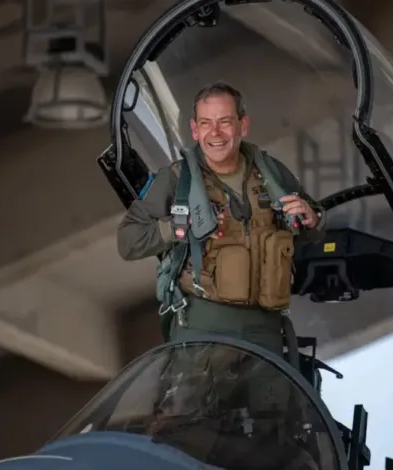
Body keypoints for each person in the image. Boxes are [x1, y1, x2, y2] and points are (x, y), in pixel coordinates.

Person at [117, 81, 326, 357]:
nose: (215, 133)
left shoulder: (272, 174)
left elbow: (310, 229)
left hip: (265, 328)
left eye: (225, 122)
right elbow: (128, 241)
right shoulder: (177, 180)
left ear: (243, 125)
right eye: (205, 123)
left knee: (272, 401)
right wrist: (176, 227)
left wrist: (313, 218)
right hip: (204, 328)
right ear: (195, 129)